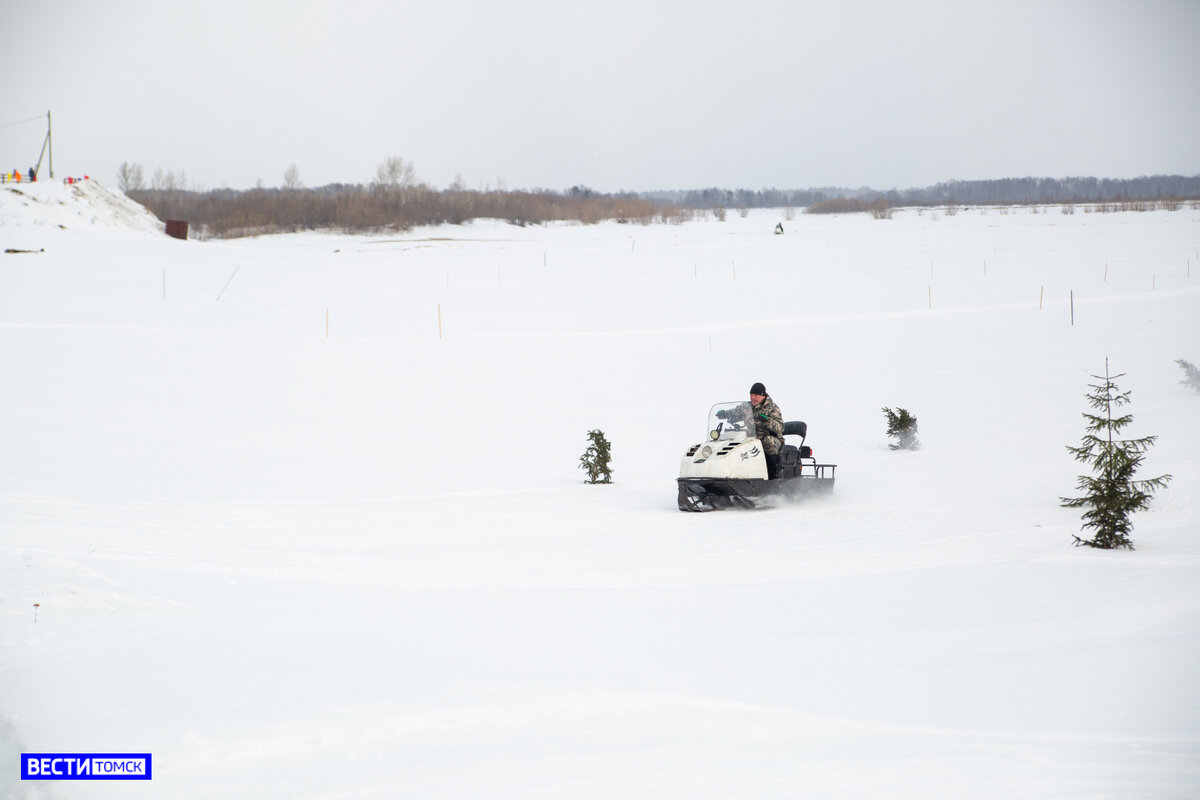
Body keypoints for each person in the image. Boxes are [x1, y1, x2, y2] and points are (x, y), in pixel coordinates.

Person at [719, 382, 786, 478]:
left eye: (756, 395)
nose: (753, 397)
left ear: (763, 396)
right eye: (751, 395)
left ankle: (776, 472)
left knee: (768, 442)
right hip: (752, 438)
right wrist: (725, 414)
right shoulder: (746, 407)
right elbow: (735, 414)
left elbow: (781, 428)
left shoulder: (772, 408)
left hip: (770, 438)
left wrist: (767, 421)